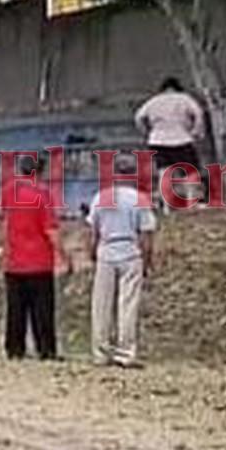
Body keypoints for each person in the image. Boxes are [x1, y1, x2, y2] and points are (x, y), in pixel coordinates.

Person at [87, 154, 157, 368]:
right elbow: (146, 234)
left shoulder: (101, 197)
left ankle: (100, 351)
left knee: (101, 304)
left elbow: (93, 231)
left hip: (107, 250)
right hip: (129, 249)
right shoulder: (140, 199)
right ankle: (125, 352)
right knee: (128, 304)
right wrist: (147, 260)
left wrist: (93, 252)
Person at [0, 154, 69, 361]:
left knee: (15, 308)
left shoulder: (9, 190)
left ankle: (14, 348)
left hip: (14, 259)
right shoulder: (43, 193)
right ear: (40, 170)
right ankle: (46, 349)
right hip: (39, 259)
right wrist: (62, 255)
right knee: (42, 309)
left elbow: (5, 221)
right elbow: (50, 229)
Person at [135, 78, 206, 202]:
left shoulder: (154, 101)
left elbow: (139, 117)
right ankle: (191, 200)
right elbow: (198, 113)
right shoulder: (184, 98)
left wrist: (147, 132)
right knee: (189, 172)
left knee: (164, 172)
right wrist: (196, 131)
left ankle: (167, 205)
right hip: (181, 139)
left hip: (158, 141)